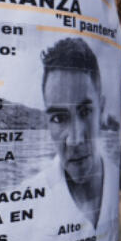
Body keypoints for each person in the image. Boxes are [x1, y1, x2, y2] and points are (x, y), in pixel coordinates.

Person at [33, 37, 109, 230]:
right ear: (47, 123)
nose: (75, 140)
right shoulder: (30, 196)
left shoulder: (114, 179)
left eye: (85, 112)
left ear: (101, 110)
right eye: (59, 118)